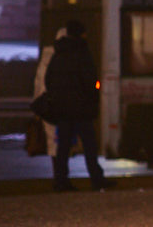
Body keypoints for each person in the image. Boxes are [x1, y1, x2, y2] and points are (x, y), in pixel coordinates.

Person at [45, 19, 115, 192]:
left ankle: (61, 181)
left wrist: (58, 98)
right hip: (81, 108)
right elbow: (90, 80)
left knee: (63, 147)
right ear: (82, 33)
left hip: (62, 109)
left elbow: (49, 79)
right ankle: (96, 179)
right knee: (89, 145)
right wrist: (93, 100)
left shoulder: (58, 53)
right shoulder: (82, 51)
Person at [32, 27, 66, 162]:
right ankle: (61, 177)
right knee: (61, 141)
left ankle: (59, 177)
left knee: (53, 141)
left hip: (48, 105)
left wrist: (37, 104)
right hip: (59, 105)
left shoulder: (47, 56)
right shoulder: (66, 57)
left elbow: (39, 82)